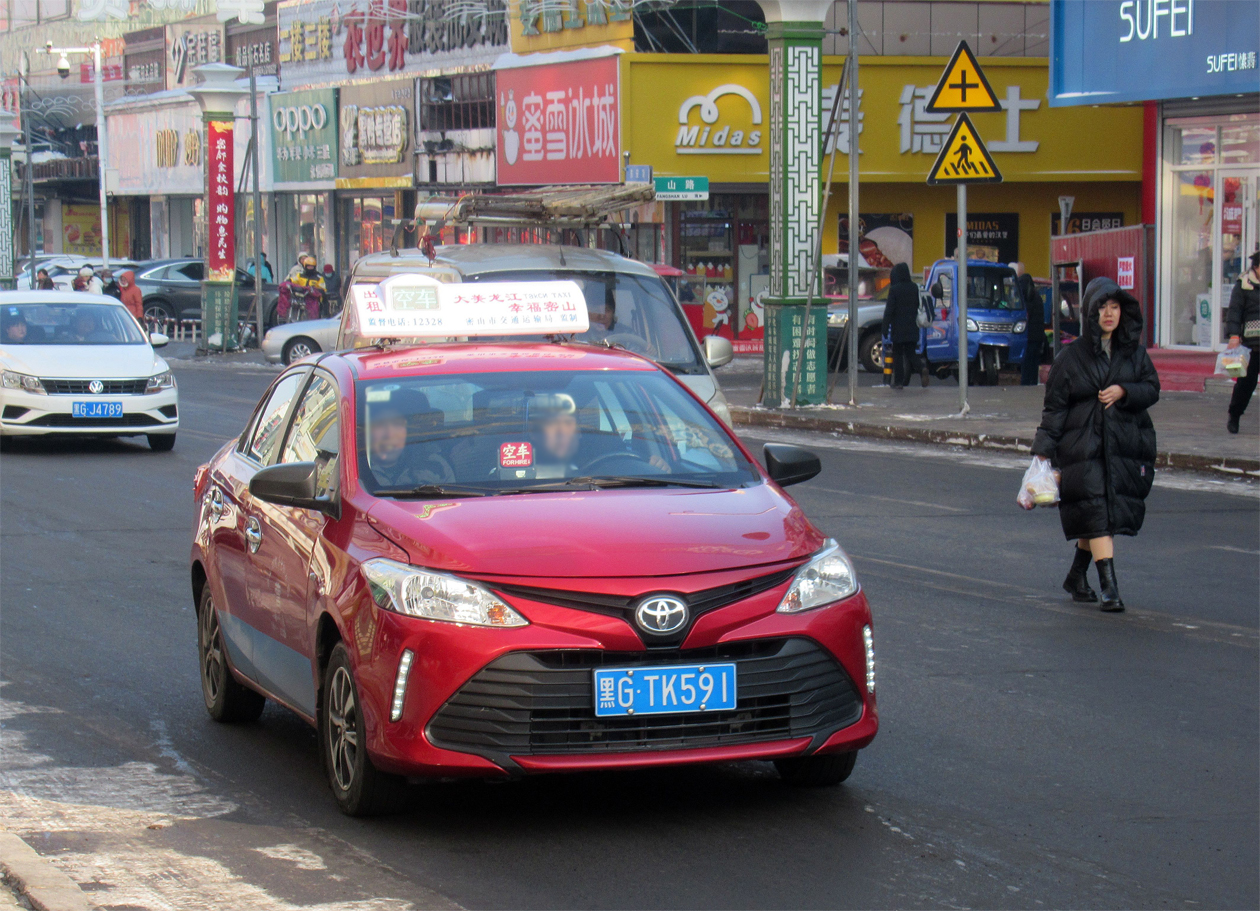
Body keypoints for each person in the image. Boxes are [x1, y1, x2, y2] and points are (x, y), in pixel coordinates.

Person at [1031, 277, 1160, 612]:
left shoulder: (1133, 353)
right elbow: (1054, 409)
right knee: (1100, 513)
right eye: (1102, 307)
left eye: (1115, 307)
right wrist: (1042, 453)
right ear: (1090, 312)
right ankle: (1110, 588)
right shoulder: (1071, 357)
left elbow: (1152, 388)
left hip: (1121, 445)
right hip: (1082, 448)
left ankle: (1076, 576)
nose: (1109, 314)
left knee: (1098, 513)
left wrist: (1124, 391)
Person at [1224, 250, 1260, 434]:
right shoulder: (1243, 285)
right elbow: (1235, 311)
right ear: (1256, 267)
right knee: (1246, 383)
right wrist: (1234, 335)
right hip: (1251, 344)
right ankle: (1235, 415)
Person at [881, 262, 928, 389]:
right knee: (911, 353)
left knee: (898, 354)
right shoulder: (914, 288)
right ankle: (921, 367)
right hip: (912, 326)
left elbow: (889, 310)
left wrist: (885, 327)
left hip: (898, 328)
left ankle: (899, 382)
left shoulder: (894, 289)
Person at [1013, 262, 1043, 385]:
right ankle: (1033, 382)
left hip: (1028, 336)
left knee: (1026, 362)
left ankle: (1026, 383)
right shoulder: (1037, 296)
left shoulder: (1027, 298)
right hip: (1038, 337)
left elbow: (1025, 317)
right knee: (1034, 363)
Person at [277, 254, 327, 322]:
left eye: (311, 267)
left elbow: (323, 290)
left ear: (314, 267)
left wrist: (315, 291)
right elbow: (292, 280)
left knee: (318, 308)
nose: (310, 268)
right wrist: (287, 283)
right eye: (308, 266)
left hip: (312, 300)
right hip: (300, 298)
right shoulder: (300, 275)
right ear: (304, 266)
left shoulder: (319, 277)